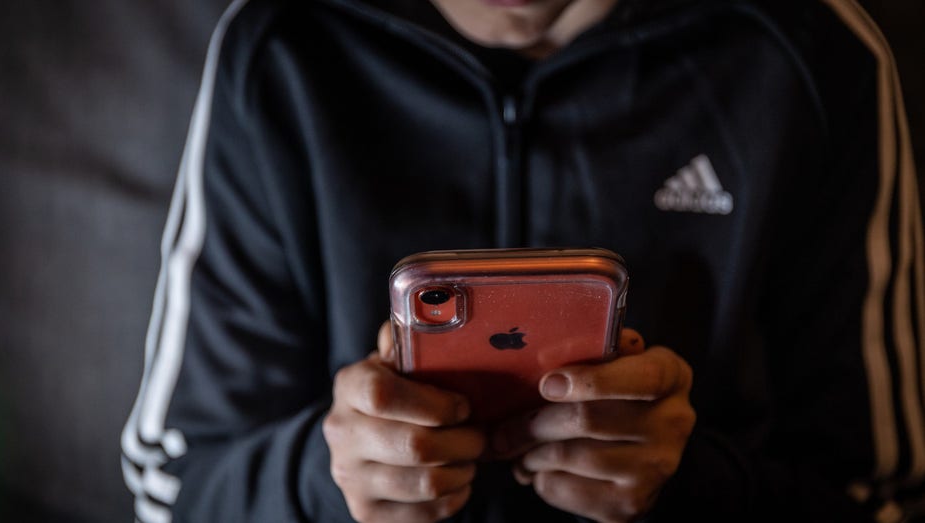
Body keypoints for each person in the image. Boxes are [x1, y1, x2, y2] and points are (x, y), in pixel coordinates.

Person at [121, 0, 925, 521]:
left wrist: (685, 485)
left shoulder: (813, 56)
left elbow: (879, 498)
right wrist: (325, 482)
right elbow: (171, 489)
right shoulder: (279, 53)